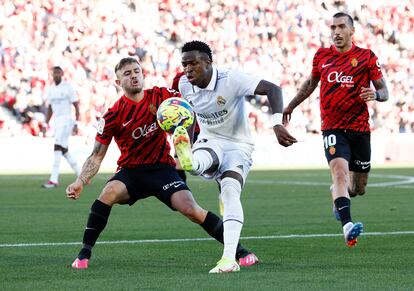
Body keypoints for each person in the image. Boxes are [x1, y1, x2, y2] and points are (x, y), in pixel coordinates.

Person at [66, 57, 258, 270]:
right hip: (131, 172)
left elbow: (191, 106)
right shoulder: (113, 115)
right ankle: (84, 254)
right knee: (108, 193)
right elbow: (96, 155)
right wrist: (80, 181)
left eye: (136, 71)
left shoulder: (162, 97)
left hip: (162, 169)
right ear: (118, 83)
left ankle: (239, 251)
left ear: (143, 74)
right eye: (127, 73)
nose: (134, 76)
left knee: (191, 209)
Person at [173, 41, 297, 273]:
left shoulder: (231, 79)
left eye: (193, 63)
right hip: (209, 141)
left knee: (230, 191)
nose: (188, 69)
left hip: (238, 146)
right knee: (203, 158)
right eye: (184, 64)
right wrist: (186, 143)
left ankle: (228, 259)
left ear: (208, 63)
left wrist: (277, 124)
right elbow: (189, 115)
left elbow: (273, 89)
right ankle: (189, 158)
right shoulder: (184, 84)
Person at [283, 12, 389, 247]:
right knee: (339, 173)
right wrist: (291, 105)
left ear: (352, 31)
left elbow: (385, 92)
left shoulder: (367, 57)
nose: (336, 32)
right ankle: (348, 227)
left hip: (360, 129)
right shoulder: (322, 56)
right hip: (332, 127)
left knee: (358, 188)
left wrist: (376, 94)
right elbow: (310, 84)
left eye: (341, 27)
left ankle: (337, 194)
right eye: (333, 27)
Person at [42, 66, 81, 188]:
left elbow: (76, 105)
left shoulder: (68, 87)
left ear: (62, 73)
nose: (56, 74)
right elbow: (49, 108)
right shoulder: (51, 89)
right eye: (54, 73)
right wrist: (45, 123)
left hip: (66, 120)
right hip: (57, 121)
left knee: (57, 147)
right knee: (64, 150)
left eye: (58, 72)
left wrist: (76, 123)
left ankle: (53, 180)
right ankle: (82, 175)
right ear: (52, 74)